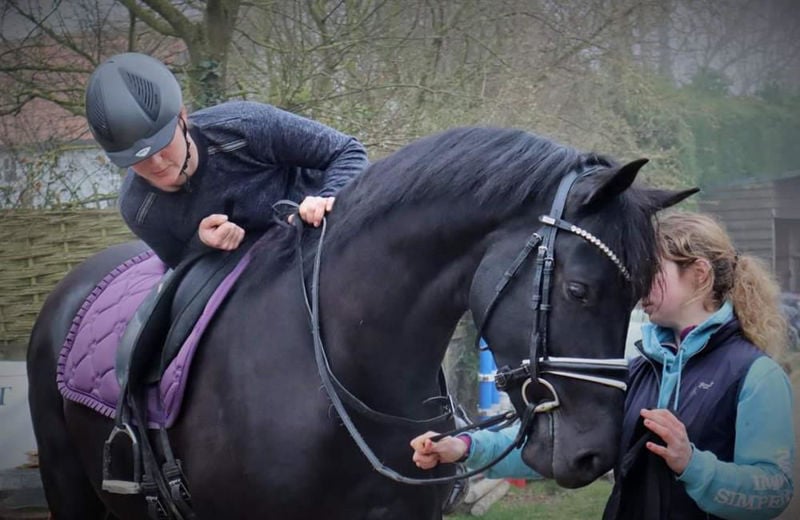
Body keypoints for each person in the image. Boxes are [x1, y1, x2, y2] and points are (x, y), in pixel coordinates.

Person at [411, 211, 795, 520]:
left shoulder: (756, 376)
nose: (639, 287)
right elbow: (561, 446)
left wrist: (692, 464)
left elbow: (772, 493)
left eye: (652, 273)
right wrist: (462, 448)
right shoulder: (640, 367)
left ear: (698, 274)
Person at [85, 52, 368, 267]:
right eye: (139, 159)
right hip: (248, 278)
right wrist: (201, 244)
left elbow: (348, 151)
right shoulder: (138, 209)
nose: (157, 164)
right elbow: (177, 264)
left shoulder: (248, 125)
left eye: (162, 144)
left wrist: (327, 197)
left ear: (182, 117)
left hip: (322, 239)